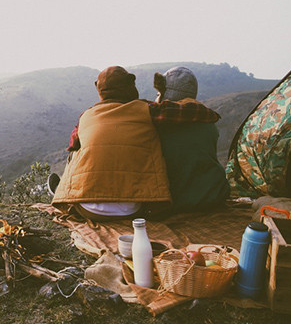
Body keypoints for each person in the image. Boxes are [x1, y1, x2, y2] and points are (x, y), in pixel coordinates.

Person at [50, 66, 221, 221]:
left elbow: (72, 145)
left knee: (77, 150)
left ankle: (63, 191)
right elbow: (187, 112)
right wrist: (211, 115)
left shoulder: (86, 116)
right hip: (133, 208)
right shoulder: (147, 110)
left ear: (99, 88)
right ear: (130, 84)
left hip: (87, 208)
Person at [153, 67, 230, 213]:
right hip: (214, 194)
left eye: (158, 93)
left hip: (177, 200)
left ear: (165, 93)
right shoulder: (208, 119)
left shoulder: (160, 122)